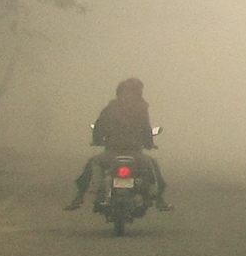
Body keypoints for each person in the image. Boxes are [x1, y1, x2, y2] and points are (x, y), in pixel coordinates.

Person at [66, 77, 171, 210]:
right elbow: (146, 130)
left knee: (93, 163)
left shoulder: (111, 108)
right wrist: (149, 143)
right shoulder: (141, 109)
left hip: (111, 154)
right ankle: (160, 200)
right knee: (152, 166)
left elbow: (99, 127)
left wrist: (97, 140)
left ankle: (79, 197)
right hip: (135, 155)